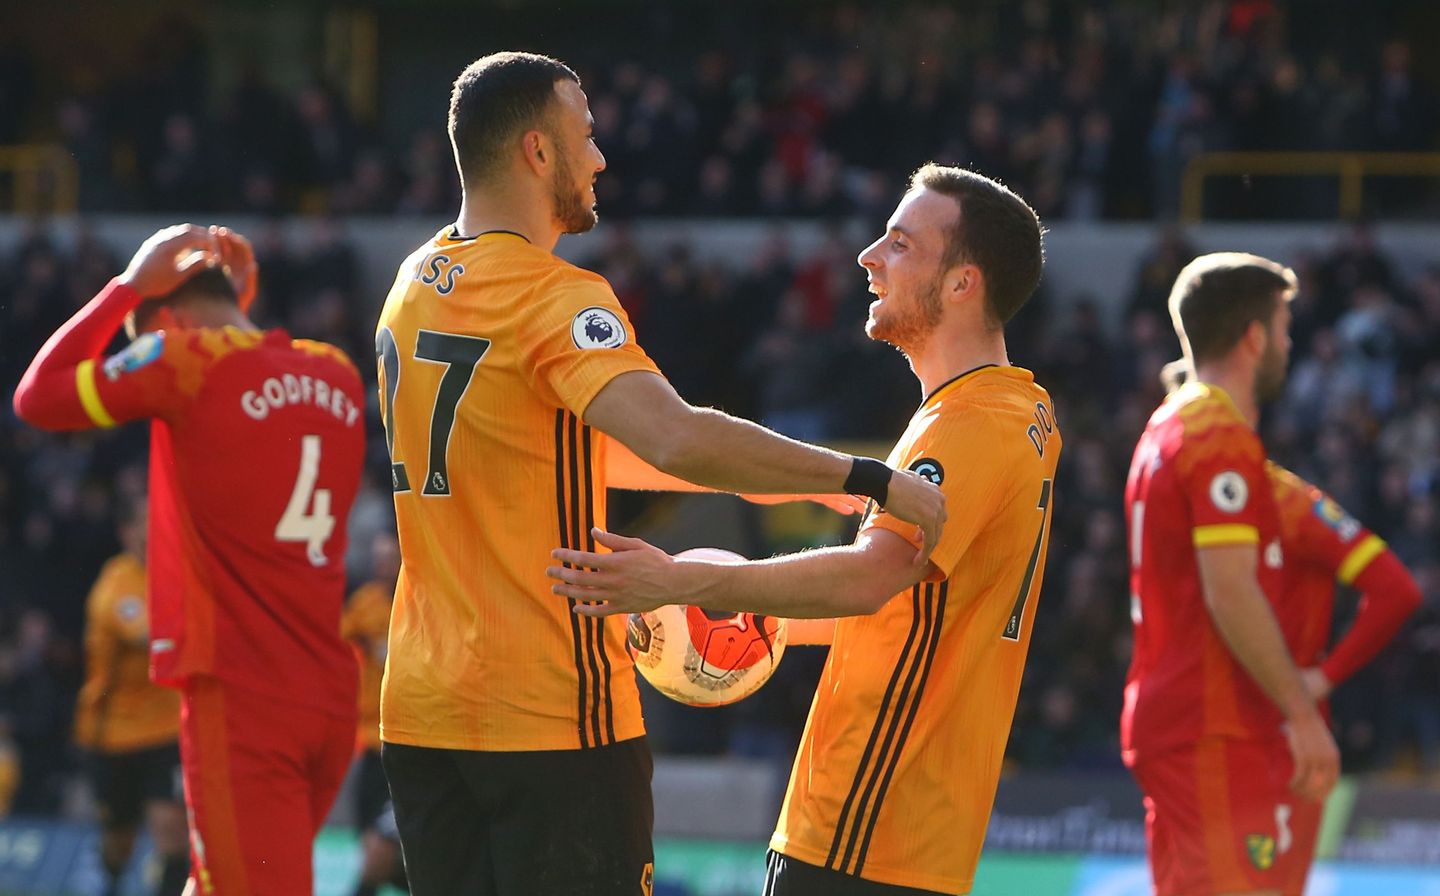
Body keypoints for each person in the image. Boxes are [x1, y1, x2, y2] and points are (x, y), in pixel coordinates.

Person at [374, 51, 945, 896]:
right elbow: (675, 436)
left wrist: (795, 482)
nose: (600, 158)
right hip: (550, 714)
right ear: (537, 151)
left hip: (424, 712)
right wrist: (868, 478)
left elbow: (560, 450)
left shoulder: (415, 282)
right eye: (586, 136)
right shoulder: (552, 296)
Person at [550, 162, 1058, 896]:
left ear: (961, 284)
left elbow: (869, 577)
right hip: (906, 830)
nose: (869, 257)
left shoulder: (967, 423)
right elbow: (908, 606)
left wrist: (680, 581)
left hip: (867, 820)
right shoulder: (1021, 410)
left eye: (900, 244)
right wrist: (740, 617)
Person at [13, 224, 366, 896]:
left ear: (169, 324)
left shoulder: (187, 363)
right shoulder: (337, 373)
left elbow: (38, 396)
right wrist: (234, 306)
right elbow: (253, 367)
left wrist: (126, 288)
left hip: (242, 699)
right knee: (218, 879)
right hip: (327, 694)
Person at [1122, 253, 1341, 896]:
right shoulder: (1220, 437)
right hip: (1210, 727)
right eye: (1284, 329)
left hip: (1173, 718)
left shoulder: (1165, 424)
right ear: (1254, 337)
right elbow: (1231, 591)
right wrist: (1302, 714)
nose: (1287, 345)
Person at [1158, 363, 1422, 893]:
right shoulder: (1233, 505)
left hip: (1270, 742)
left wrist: (1323, 678)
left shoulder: (1288, 503)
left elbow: (1397, 591)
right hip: (1213, 736)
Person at [75, 497, 187, 896]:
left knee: (172, 831)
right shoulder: (117, 585)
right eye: (146, 522)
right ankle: (109, 879)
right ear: (127, 532)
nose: (157, 530)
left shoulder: (178, 573)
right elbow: (150, 637)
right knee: (120, 840)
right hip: (114, 734)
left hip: (167, 730)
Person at [341, 532, 409, 896]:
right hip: (370, 739)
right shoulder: (365, 603)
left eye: (389, 557)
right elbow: (339, 641)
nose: (382, 564)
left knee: (380, 850)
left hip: (405, 739)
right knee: (369, 838)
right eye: (378, 557)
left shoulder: (417, 600)